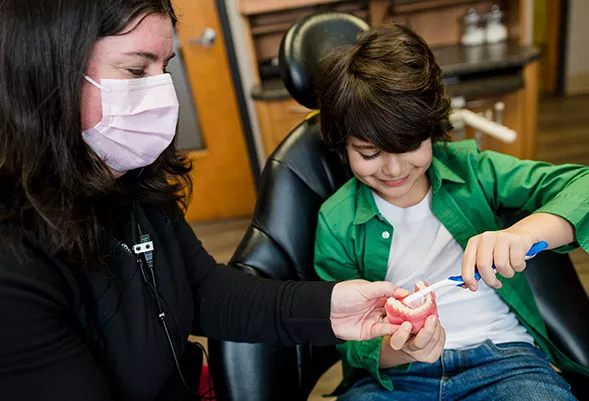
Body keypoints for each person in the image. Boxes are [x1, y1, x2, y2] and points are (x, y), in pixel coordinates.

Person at [0, 2, 409, 400]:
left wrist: (330, 308)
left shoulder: (128, 180)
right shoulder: (15, 270)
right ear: (46, 72)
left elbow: (202, 290)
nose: (161, 92)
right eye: (135, 70)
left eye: (165, 67)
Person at [313, 23, 589, 400]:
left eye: (409, 146)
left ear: (432, 128)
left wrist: (521, 235)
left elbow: (582, 187)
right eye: (370, 153)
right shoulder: (336, 220)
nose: (393, 171)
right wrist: (402, 348)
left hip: (504, 361)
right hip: (397, 379)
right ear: (341, 144)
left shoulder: (471, 169)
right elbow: (347, 340)